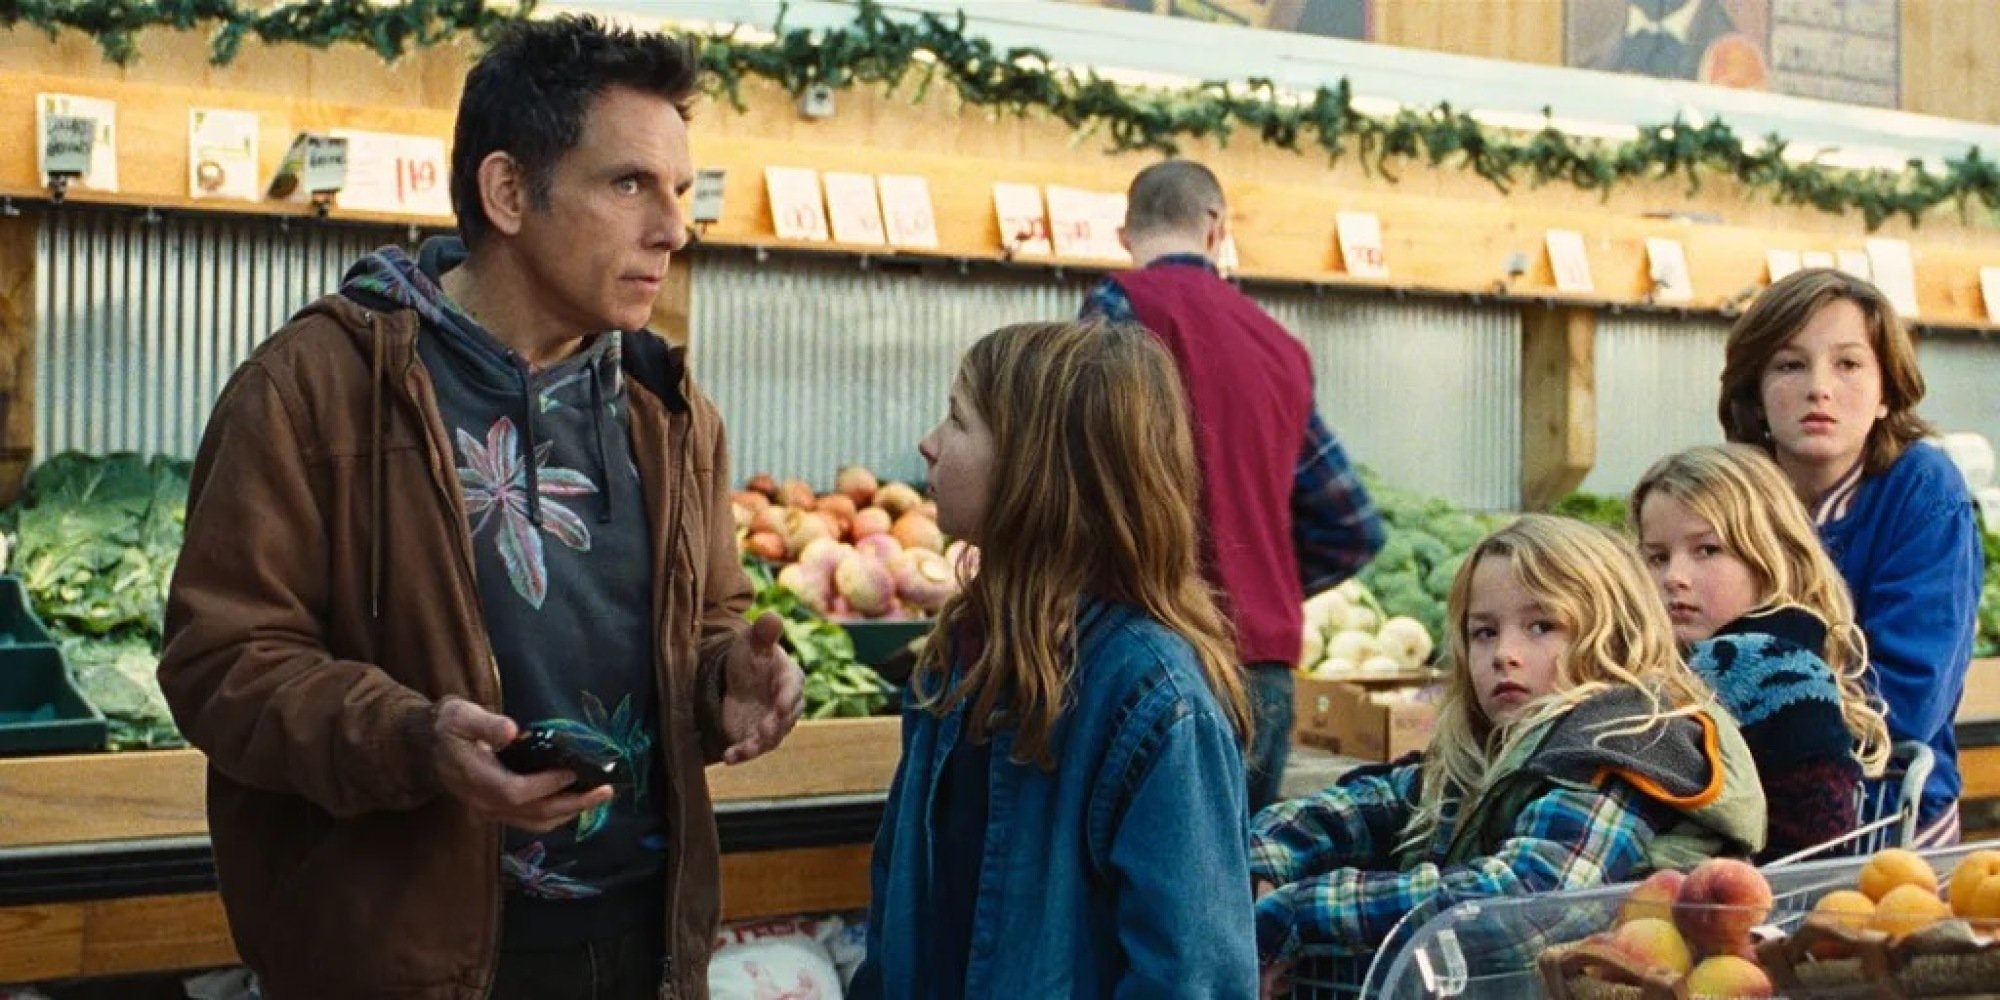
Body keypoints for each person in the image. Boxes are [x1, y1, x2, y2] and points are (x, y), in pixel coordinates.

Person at [157, 17, 803, 999]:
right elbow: (221, 662)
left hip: (642, 947)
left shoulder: (669, 412)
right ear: (506, 192)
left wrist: (728, 686)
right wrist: (415, 739)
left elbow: (705, 624)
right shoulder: (312, 391)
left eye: (679, 190)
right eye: (628, 183)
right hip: (406, 961)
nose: (672, 227)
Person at [851, 320, 1260, 998]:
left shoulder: (1156, 701)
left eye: (957, 418)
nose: (928, 442)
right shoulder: (960, 658)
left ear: (1035, 468)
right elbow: (900, 902)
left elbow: (1195, 977)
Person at [1250, 516, 1764, 984]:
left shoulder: (1625, 741)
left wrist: (1299, 910)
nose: (1505, 655)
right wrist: (1259, 864)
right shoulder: (1496, 750)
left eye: (1542, 626)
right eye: (1484, 632)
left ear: (1616, 635)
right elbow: (1372, 804)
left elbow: (1527, 904)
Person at [1081, 159, 1385, 813]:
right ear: (1216, 228)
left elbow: (1072, 468)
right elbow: (1351, 524)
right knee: (1233, 888)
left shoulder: (1120, 307)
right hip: (1260, 674)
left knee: (1129, 899)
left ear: (1125, 234)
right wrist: (1260, 581)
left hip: (1147, 651)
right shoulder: (1279, 346)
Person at [1719, 267, 1984, 846]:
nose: (1820, 388)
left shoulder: (1922, 489)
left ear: (1888, 390)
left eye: (1848, 364)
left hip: (1886, 814)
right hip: (1739, 811)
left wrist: (1756, 718)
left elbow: (1909, 699)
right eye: (1790, 365)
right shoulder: (1726, 496)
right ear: (1755, 395)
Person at [1631, 444, 1892, 861]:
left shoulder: (1763, 665)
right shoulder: (1798, 655)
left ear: (1771, 556)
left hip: (1751, 911)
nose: (1674, 578)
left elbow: (1813, 858)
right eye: (1657, 557)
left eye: (1707, 550)